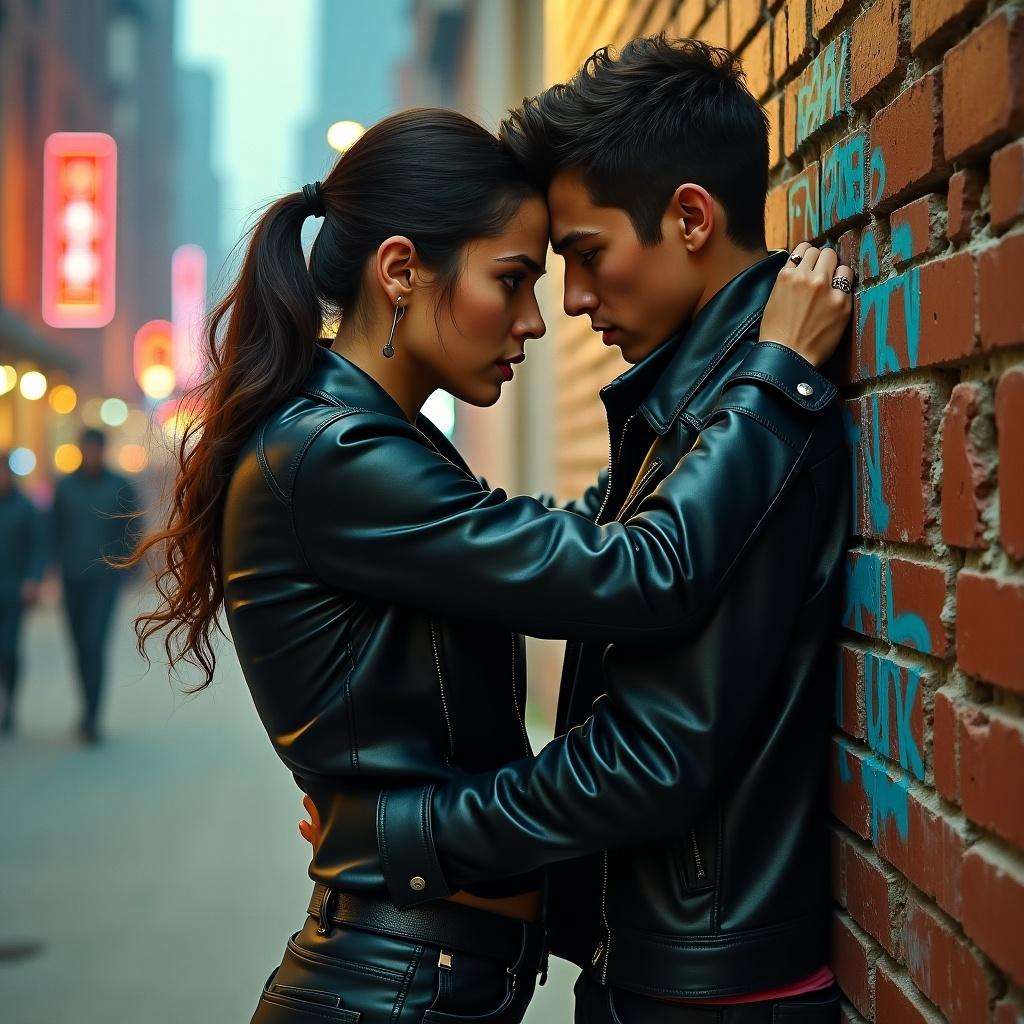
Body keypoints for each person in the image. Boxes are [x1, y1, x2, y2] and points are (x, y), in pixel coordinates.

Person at [126, 105, 850, 1024]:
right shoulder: (336, 455)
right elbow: (638, 572)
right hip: (389, 989)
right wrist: (771, 377)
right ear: (400, 272)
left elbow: (584, 536)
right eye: (511, 281)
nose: (537, 320)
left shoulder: (370, 444)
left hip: (424, 981)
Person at [340, 38, 851, 1024]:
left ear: (689, 217)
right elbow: (571, 551)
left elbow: (647, 759)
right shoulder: (702, 404)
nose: (570, 303)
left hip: (710, 993)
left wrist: (416, 834)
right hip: (664, 968)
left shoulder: (752, 422)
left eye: (583, 256)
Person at [51, 427, 141, 743]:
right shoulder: (65, 487)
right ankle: (85, 707)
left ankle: (92, 717)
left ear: (102, 451)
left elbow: (134, 529)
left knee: (93, 643)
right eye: (85, 449)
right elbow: (54, 529)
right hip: (72, 578)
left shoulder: (119, 486)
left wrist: (131, 568)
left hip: (105, 579)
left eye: (94, 449)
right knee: (78, 647)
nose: (90, 455)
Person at [0, 452, 47, 735]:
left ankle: (10, 706)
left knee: (8, 650)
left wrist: (33, 578)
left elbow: (38, 546)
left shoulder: (25, 507)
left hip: (15, 592)